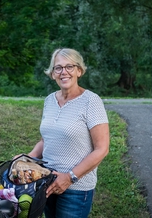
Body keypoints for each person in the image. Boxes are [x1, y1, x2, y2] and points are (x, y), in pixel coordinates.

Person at [24, 48, 109, 218]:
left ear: (79, 70)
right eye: (58, 68)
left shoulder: (91, 101)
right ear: (53, 73)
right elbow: (45, 140)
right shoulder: (49, 100)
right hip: (47, 183)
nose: (64, 72)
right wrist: (26, 158)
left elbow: (102, 149)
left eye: (69, 66)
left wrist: (70, 177)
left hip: (76, 189)